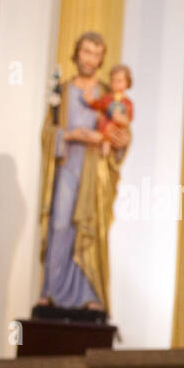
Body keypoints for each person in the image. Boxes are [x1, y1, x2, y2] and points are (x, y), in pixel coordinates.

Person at [37, 31, 131, 312]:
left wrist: (120, 142)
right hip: (67, 168)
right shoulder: (62, 93)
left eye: (95, 53)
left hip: (94, 174)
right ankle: (51, 292)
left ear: (101, 59)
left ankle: (89, 294)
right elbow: (47, 133)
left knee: (89, 227)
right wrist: (68, 135)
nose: (89, 58)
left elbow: (119, 133)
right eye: (85, 51)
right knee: (60, 225)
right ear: (76, 54)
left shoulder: (106, 95)